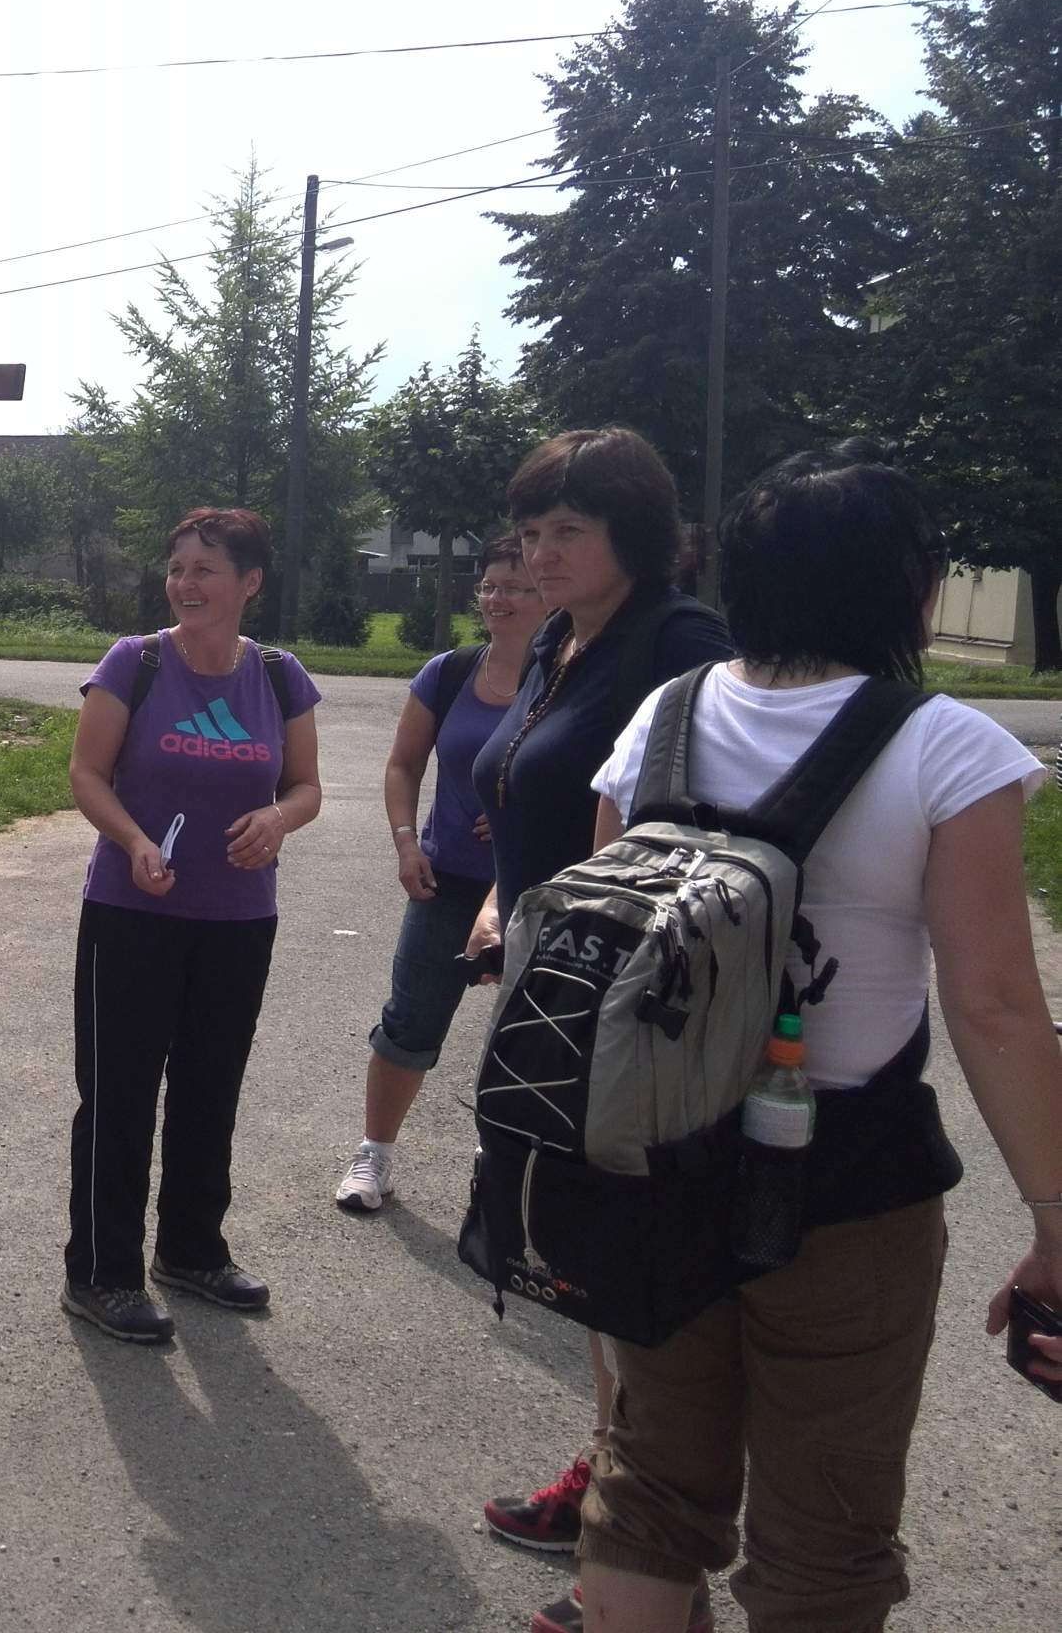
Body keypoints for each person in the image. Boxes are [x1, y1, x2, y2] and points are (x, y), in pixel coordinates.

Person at [573, 443, 1062, 1633]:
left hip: (657, 1160)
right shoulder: (942, 746)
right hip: (849, 1182)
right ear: (908, 588)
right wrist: (1057, 1219)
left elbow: (605, 940)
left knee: (650, 1490)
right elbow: (994, 1004)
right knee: (824, 1540)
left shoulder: (662, 719)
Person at [453, 428, 734, 1627]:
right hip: (553, 985)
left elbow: (692, 843)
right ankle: (613, 1490)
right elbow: (527, 796)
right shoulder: (562, 639)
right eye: (530, 532)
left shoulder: (680, 646)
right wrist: (496, 904)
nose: (539, 554)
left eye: (568, 530)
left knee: (631, 1264)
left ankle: (642, 1556)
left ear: (638, 532)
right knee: (586, 1259)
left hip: (630, 1010)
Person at [63, 507, 323, 1343]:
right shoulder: (134, 662)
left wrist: (279, 819)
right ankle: (101, 1272)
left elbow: (306, 787)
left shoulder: (279, 676)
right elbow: (86, 773)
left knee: (211, 1088)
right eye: (178, 567)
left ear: (250, 583)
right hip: (131, 911)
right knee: (119, 1094)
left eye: (206, 569)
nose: (186, 583)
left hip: (238, 918)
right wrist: (134, 840)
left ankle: (191, 1249)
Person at [335, 535, 546, 1212]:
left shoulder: (572, 678)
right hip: (446, 879)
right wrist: (406, 842)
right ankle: (374, 1155)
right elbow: (403, 765)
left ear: (550, 596)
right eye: (489, 585)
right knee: (410, 1021)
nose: (497, 598)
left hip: (539, 885)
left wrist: (525, 811)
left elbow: (598, 777)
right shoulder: (450, 672)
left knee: (536, 1035)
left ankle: (515, 1177)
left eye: (516, 586)